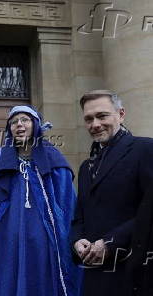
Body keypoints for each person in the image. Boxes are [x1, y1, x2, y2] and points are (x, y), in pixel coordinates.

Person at [0, 105, 81, 296]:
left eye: (25, 120)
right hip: (9, 236)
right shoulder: (4, 163)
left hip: (44, 237)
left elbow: (67, 202)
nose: (19, 125)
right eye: (14, 122)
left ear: (35, 125)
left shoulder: (53, 158)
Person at [70, 90, 153, 296]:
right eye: (89, 119)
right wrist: (76, 241)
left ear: (121, 114)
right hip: (94, 276)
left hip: (135, 272)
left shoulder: (145, 149)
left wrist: (110, 242)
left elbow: (150, 211)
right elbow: (79, 217)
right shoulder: (86, 167)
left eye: (102, 116)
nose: (95, 124)